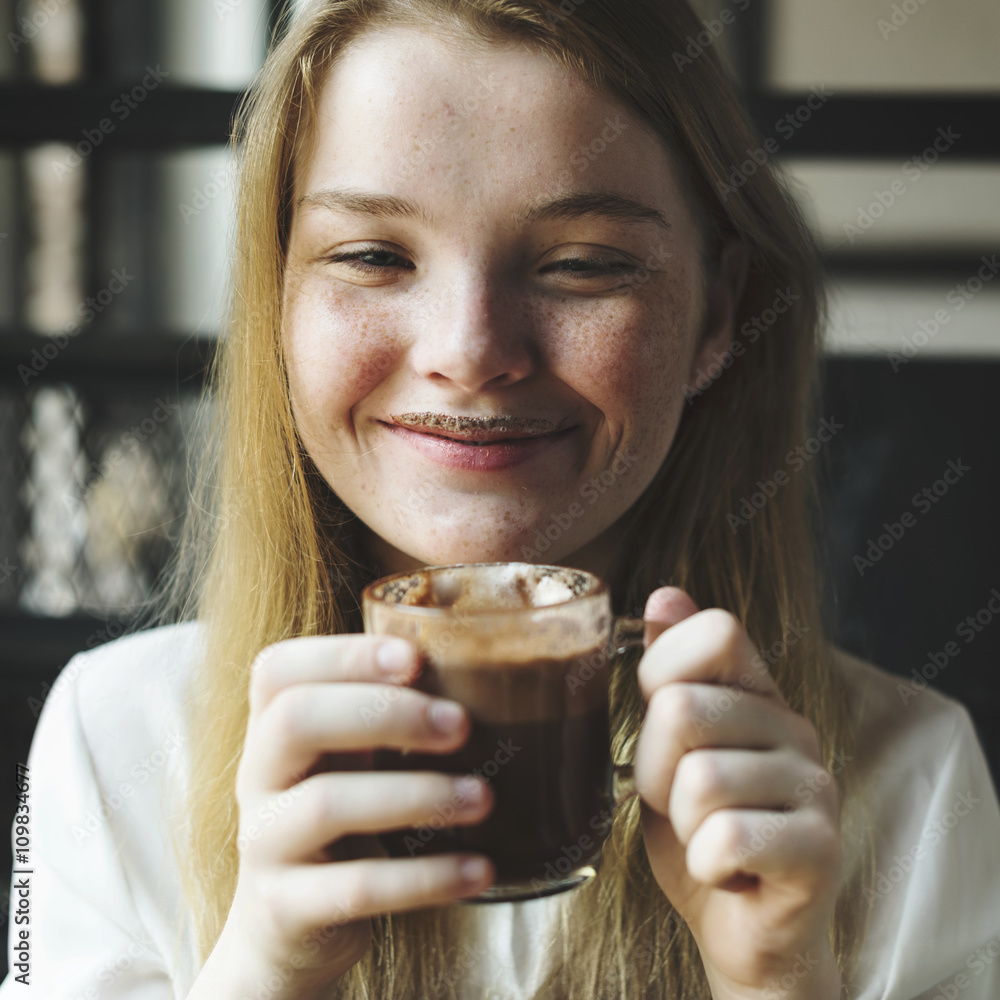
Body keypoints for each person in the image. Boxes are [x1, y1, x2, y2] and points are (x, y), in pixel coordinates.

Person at [4, 0, 1000, 997]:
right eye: (372, 257)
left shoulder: (914, 779)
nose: (469, 353)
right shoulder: (116, 740)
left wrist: (783, 980)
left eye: (580, 265)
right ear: (278, 300)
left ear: (718, 314)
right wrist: (264, 969)